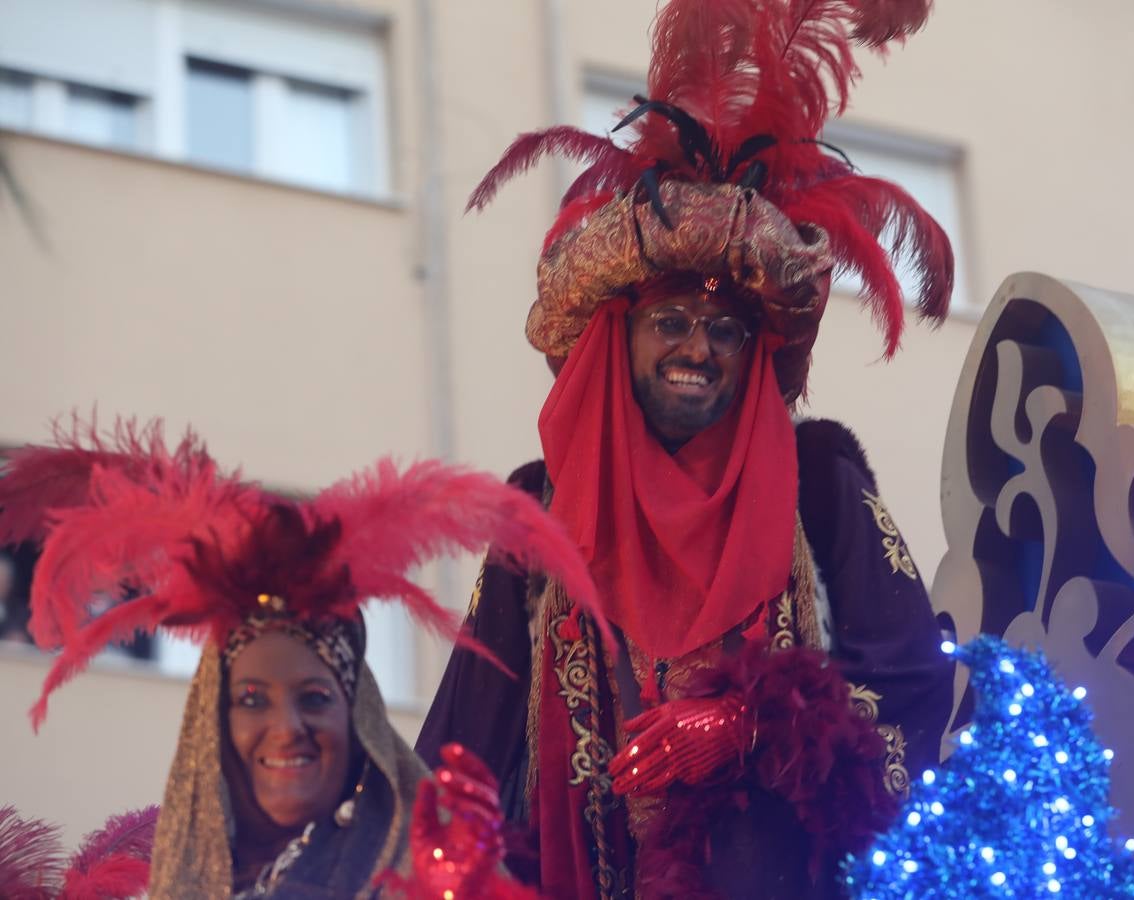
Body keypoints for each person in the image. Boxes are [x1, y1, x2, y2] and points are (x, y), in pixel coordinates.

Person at [416, 1, 956, 897]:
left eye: (726, 331)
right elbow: (465, 746)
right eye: (670, 320)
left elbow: (911, 684)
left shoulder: (817, 482)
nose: (698, 349)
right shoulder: (537, 510)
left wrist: (753, 727)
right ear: (614, 339)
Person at [0, 418, 599, 899]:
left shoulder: (424, 877)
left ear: (359, 717)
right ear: (213, 721)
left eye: (314, 698)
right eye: (252, 699)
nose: (286, 730)